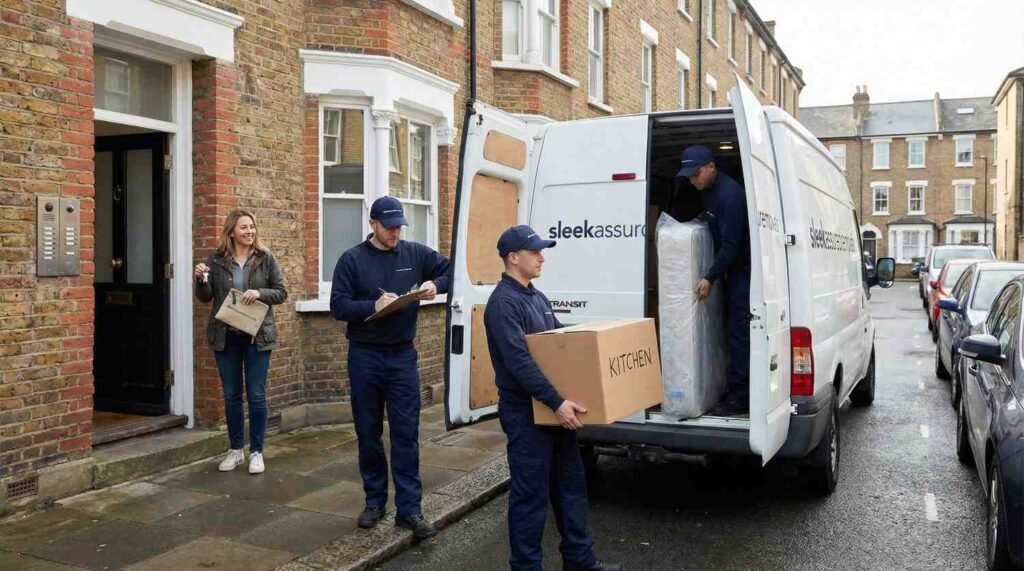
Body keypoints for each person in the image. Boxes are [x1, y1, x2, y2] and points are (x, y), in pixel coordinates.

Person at [483, 225, 620, 571]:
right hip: (527, 414)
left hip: (554, 411)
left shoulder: (536, 296)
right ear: (514, 258)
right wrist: (557, 401)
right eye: (535, 252)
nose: (542, 257)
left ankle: (580, 562)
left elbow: (561, 345)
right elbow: (519, 363)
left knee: (571, 488)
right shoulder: (502, 304)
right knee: (530, 498)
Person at [330, 195, 451, 540]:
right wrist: (373, 304)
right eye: (389, 226)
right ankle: (374, 502)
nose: (396, 232)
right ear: (372, 225)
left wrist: (434, 285)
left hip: (402, 356)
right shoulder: (351, 260)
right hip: (365, 355)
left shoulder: (415, 253)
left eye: (399, 226)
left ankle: (410, 510)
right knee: (368, 432)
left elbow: (450, 268)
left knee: (406, 434)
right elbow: (338, 304)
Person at [195, 209, 288, 475]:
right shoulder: (216, 260)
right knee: (231, 395)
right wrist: (201, 278)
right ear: (232, 232)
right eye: (244, 228)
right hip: (226, 335)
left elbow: (281, 292)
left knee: (256, 394)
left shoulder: (265, 258)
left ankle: (256, 451)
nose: (250, 232)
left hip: (257, 335)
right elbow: (205, 297)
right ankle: (236, 450)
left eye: (252, 227)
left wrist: (259, 292)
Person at [676, 145, 752, 416]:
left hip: (741, 270)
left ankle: (740, 397)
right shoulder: (707, 191)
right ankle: (729, 387)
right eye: (689, 176)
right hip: (726, 270)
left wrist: (709, 277)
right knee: (728, 330)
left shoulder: (730, 196)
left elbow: (731, 245)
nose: (693, 180)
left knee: (739, 332)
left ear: (711, 167)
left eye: (696, 174)